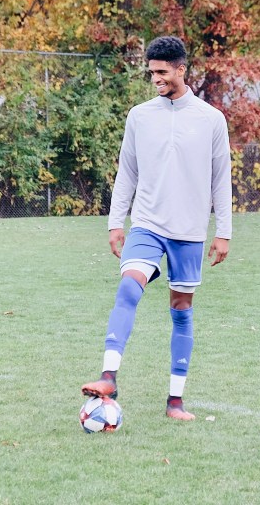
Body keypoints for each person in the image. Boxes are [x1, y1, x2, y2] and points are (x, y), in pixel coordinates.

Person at [80, 36, 232, 421]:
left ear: (182, 69)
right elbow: (127, 172)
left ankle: (175, 402)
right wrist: (116, 222)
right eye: (151, 72)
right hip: (147, 224)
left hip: (189, 231)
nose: (156, 79)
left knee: (181, 309)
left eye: (162, 72)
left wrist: (223, 231)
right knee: (128, 287)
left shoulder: (211, 119)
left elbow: (221, 179)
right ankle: (109, 376)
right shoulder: (139, 116)